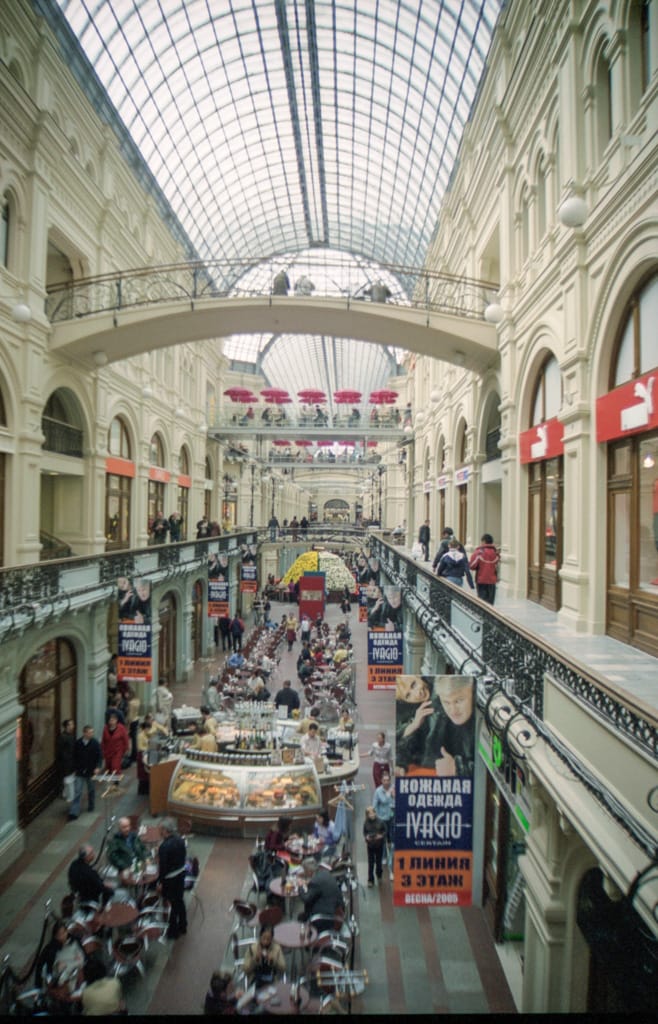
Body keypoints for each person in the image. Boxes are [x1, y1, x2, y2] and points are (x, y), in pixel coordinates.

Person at [157, 817, 188, 939]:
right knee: (179, 901)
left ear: (165, 830)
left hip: (170, 879)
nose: (159, 832)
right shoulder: (180, 840)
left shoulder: (164, 847)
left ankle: (173, 931)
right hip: (180, 875)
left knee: (170, 904)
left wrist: (160, 882)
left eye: (160, 830)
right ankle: (183, 925)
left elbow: (163, 868)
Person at [299, 860, 344, 934]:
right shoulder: (324, 873)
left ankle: (307, 940)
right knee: (302, 915)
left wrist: (300, 886)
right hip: (335, 909)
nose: (304, 873)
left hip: (325, 918)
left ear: (309, 871)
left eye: (305, 871)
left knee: (302, 917)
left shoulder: (315, 881)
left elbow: (306, 898)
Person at [69, 725, 102, 819]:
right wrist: (74, 769)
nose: (92, 734)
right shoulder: (78, 743)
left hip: (91, 771)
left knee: (91, 790)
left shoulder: (95, 743)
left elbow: (99, 756)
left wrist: (98, 767)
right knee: (78, 792)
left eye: (92, 732)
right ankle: (74, 812)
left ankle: (91, 805)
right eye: (90, 732)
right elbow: (74, 756)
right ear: (84, 733)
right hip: (80, 771)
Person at [244, 924, 286, 989]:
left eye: (268, 939)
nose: (265, 941)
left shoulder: (277, 949)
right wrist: (255, 960)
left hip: (271, 978)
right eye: (264, 938)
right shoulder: (252, 948)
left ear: (272, 939)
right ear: (260, 936)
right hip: (255, 978)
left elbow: (283, 968)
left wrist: (272, 961)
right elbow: (246, 969)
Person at [469, 532, 501, 605]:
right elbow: (497, 565)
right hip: (492, 581)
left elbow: (472, 565)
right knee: (490, 602)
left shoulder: (479, 552)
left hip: (481, 580)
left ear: (483, 541)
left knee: (482, 602)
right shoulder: (495, 553)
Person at [373, 773, 395, 874]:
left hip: (392, 817)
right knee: (383, 838)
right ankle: (384, 857)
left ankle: (390, 857)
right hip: (382, 818)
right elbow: (377, 803)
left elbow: (396, 802)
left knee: (391, 839)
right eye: (384, 780)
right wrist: (376, 818)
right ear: (381, 781)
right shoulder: (378, 791)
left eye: (388, 780)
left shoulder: (393, 789)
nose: (386, 782)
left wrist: (394, 797)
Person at [363, 805, 386, 887]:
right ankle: (370, 880)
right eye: (370, 814)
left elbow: (384, 831)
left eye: (373, 813)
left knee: (379, 861)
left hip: (379, 845)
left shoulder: (380, 822)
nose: (372, 815)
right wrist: (366, 837)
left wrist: (381, 836)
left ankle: (379, 873)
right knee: (371, 863)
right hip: (370, 845)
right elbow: (365, 832)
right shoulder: (366, 823)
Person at [56, 718, 76, 804]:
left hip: (69, 762)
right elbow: (62, 752)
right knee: (69, 780)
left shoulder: (69, 736)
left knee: (68, 780)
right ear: (67, 726)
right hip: (67, 763)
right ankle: (70, 797)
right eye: (71, 724)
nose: (73, 726)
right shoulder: (64, 737)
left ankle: (67, 794)